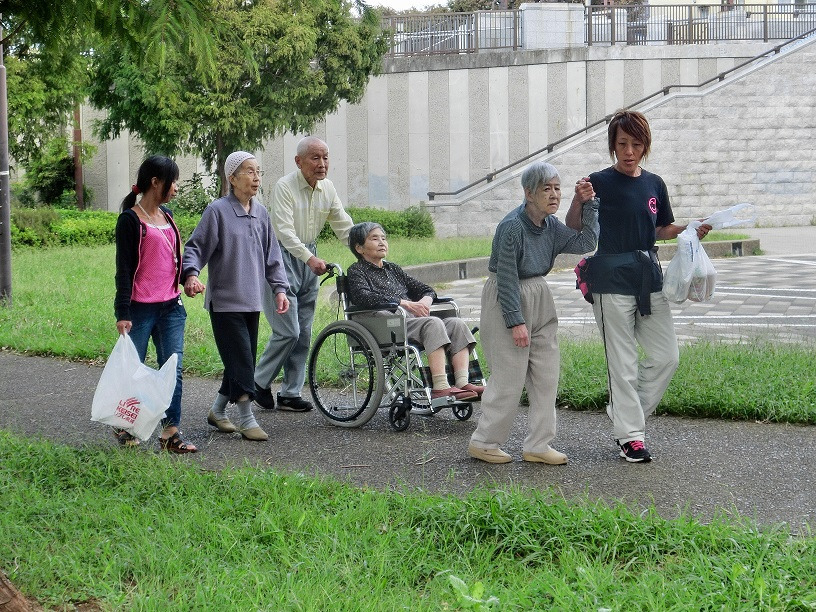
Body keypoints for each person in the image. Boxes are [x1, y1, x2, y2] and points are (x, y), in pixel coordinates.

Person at [565, 109, 711, 463]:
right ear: (613, 147)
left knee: (666, 357)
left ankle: (624, 413)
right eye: (622, 144)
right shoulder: (597, 181)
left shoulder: (654, 183)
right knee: (623, 364)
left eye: (636, 144)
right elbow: (573, 226)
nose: (629, 151)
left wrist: (692, 228)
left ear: (645, 145)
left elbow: (660, 228)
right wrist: (578, 199)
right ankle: (631, 437)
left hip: (649, 279)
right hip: (610, 281)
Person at [468, 161, 599, 465]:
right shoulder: (511, 226)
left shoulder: (551, 226)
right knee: (509, 378)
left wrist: (588, 205)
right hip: (507, 295)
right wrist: (515, 322)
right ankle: (484, 441)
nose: (554, 195)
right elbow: (506, 275)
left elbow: (586, 242)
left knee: (546, 374)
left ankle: (538, 445)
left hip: (539, 293)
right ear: (528, 193)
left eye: (557, 188)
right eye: (546, 189)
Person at [182, 151, 290, 441]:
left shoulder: (262, 213)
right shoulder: (218, 211)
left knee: (240, 361)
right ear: (232, 178)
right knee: (242, 359)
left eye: (258, 172)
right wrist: (191, 274)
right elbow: (195, 247)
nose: (256, 177)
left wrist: (279, 289)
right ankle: (246, 418)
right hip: (225, 301)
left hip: (252, 300)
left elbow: (273, 257)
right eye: (249, 171)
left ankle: (217, 411)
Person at [254, 136, 353, 412]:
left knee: (305, 332)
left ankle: (290, 393)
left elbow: (343, 225)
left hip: (309, 259)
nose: (322, 164)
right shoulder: (285, 187)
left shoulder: (328, 188)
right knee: (288, 331)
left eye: (325, 157)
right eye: (315, 158)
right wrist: (310, 259)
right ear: (299, 162)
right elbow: (283, 232)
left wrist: (364, 249)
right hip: (280, 259)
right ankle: (258, 381)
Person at [113, 155, 196, 453]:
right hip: (139, 308)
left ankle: (170, 432)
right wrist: (122, 312)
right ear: (155, 182)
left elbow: (177, 258)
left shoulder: (168, 216)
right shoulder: (130, 220)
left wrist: (188, 277)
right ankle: (124, 425)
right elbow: (123, 270)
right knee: (133, 369)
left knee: (172, 368)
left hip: (171, 307)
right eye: (172, 182)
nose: (175, 188)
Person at [346, 222, 483, 402]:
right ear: (359, 247)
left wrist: (425, 300)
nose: (382, 242)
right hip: (386, 324)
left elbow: (425, 289)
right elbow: (363, 297)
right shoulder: (356, 271)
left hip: (409, 321)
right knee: (433, 323)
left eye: (384, 238)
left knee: (456, 324)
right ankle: (441, 387)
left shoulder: (392, 269)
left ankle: (462, 383)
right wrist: (405, 304)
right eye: (374, 238)